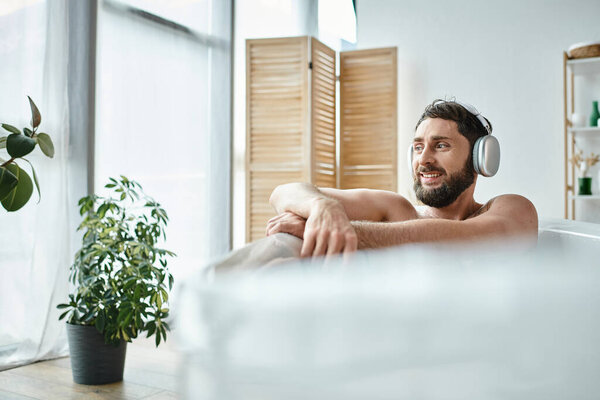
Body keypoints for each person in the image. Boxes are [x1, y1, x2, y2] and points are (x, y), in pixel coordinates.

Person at [267, 99, 538, 258]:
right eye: (418, 147)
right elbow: (283, 193)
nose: (424, 159)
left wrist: (341, 231)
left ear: (481, 157)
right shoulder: (396, 210)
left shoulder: (513, 208)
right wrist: (323, 210)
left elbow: (460, 238)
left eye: (441, 145)